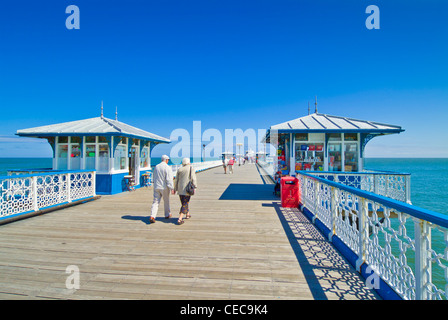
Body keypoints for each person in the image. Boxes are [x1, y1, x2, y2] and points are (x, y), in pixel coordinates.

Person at [149, 155, 174, 223]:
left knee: (155, 202)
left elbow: (154, 176)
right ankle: (167, 214)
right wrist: (172, 188)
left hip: (156, 186)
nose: (168, 161)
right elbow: (169, 179)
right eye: (168, 160)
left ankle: (152, 216)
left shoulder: (157, 166)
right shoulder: (167, 167)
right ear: (166, 160)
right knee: (166, 201)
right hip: (164, 187)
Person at [174, 158, 197, 225]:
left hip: (180, 189)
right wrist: (195, 186)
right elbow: (193, 177)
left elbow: (176, 180)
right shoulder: (190, 168)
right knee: (185, 203)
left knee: (184, 202)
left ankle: (187, 214)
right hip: (187, 189)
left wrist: (175, 189)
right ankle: (180, 219)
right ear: (188, 162)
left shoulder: (180, 169)